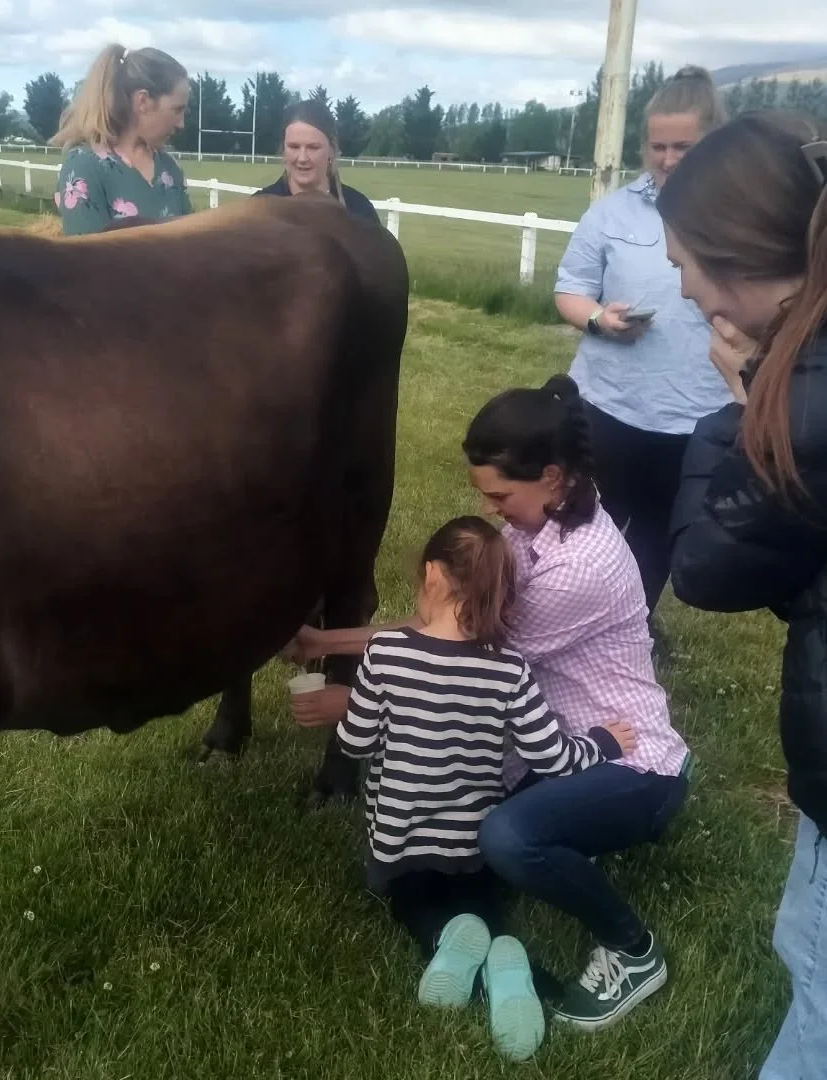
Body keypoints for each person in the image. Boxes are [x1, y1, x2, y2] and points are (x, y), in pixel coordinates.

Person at [284, 375, 691, 1030]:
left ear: (553, 477)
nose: (495, 510)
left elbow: (454, 656)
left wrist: (350, 698)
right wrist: (325, 641)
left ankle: (633, 949)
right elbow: (447, 631)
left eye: (501, 495)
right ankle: (501, 944)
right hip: (559, 745)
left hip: (629, 762)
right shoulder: (551, 521)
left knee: (501, 837)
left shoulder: (578, 567)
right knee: (461, 820)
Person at [656, 110, 827, 1080]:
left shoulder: (801, 394)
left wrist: (738, 403)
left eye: (684, 261)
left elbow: (709, 568)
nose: (680, 285)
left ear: (730, 259)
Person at [337, 514, 635, 1061]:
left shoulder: (385, 655)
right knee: (480, 909)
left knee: (416, 905)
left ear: (431, 576)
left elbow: (354, 744)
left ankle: (443, 950)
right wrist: (604, 743)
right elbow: (555, 758)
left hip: (401, 844)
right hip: (472, 848)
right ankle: (512, 962)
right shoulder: (511, 671)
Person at [553, 65, 731, 646]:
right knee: (583, 520)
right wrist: (600, 320)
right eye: (659, 145)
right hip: (608, 402)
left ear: (713, 141)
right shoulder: (612, 213)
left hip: (696, 412)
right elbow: (569, 290)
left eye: (685, 145)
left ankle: (630, 628)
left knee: (658, 532)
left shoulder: (739, 216)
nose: (670, 158)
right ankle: (560, 622)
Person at [50, 44, 193, 233]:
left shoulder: (169, 168)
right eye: (177, 110)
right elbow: (85, 258)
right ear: (142, 101)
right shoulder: (84, 168)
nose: (181, 124)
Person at [252, 100, 381, 224]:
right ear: (283, 149)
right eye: (294, 147)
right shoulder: (258, 210)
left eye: (313, 147)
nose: (302, 158)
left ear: (332, 150)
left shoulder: (359, 211)